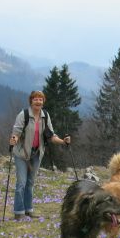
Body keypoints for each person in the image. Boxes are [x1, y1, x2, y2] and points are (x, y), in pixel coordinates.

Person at [9, 91, 71, 220]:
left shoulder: (45, 116)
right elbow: (16, 132)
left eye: (41, 99)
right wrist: (14, 139)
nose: (38, 102)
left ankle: (28, 210)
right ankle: (18, 212)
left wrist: (63, 142)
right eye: (36, 99)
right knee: (21, 183)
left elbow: (51, 136)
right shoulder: (24, 115)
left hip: (36, 154)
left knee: (30, 183)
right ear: (31, 101)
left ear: (43, 102)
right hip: (22, 154)